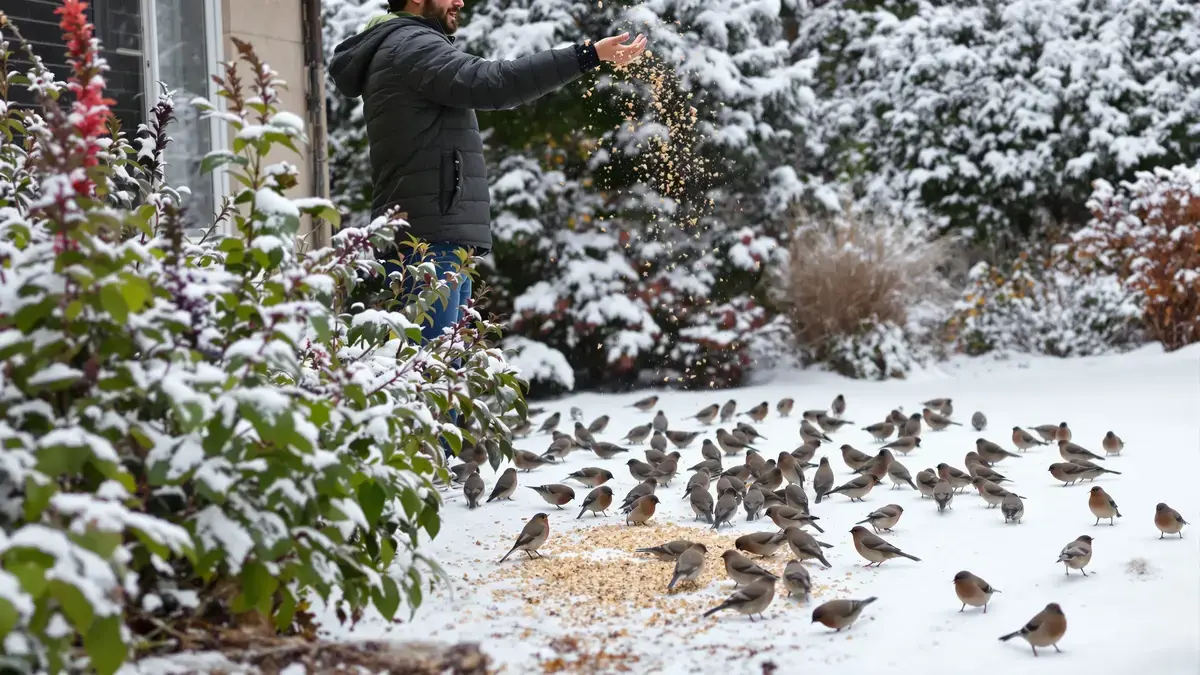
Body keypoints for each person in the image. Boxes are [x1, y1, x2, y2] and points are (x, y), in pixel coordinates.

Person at [329, 0, 647, 343]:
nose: (460, 1)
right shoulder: (411, 45)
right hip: (431, 240)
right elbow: (495, 82)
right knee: (429, 367)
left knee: (442, 372)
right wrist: (586, 55)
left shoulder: (404, 44)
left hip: (437, 234)